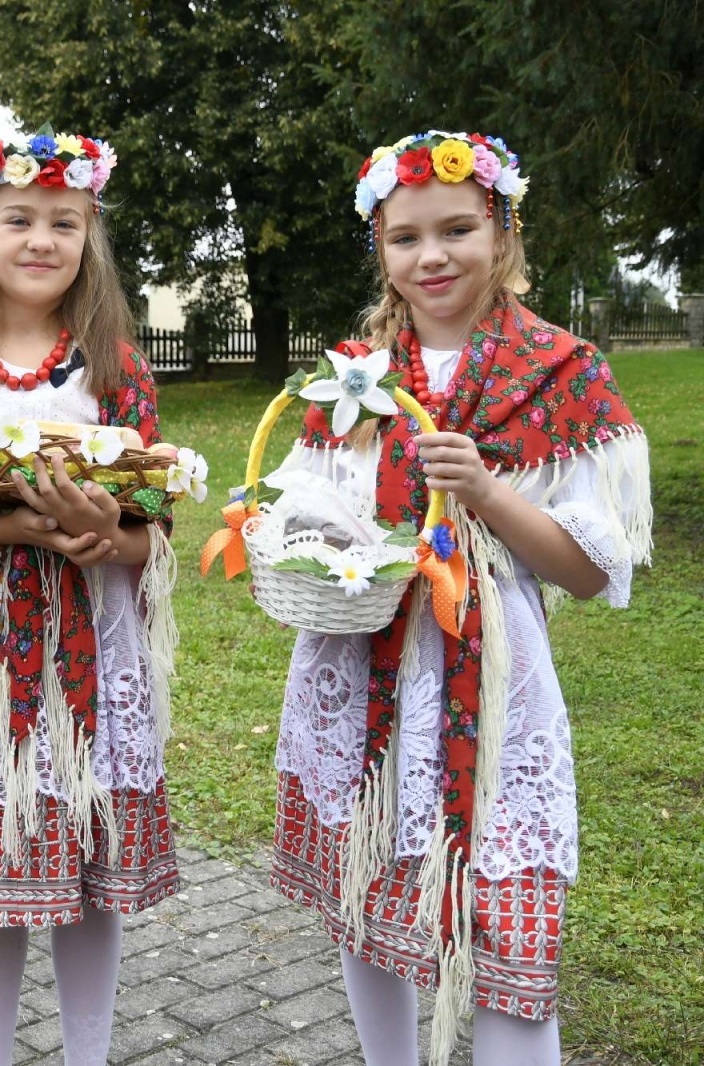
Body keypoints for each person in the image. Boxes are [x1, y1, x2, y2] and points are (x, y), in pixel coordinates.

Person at [264, 132, 651, 1066]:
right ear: (381, 250)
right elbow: (301, 514)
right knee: (367, 897)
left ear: (502, 229)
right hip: (362, 671)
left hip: (494, 691)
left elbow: (588, 571)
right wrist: (316, 540)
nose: (431, 256)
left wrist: (485, 492)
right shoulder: (353, 380)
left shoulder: (560, 372)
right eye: (406, 238)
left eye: (457, 230)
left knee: (506, 932)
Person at [0, 129, 180, 1066]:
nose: (41, 240)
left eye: (65, 221)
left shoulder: (116, 364)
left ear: (91, 234)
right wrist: (6, 529)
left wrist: (105, 535)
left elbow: (154, 516)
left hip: (92, 638)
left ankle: (89, 1051)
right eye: (20, 219)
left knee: (88, 867)